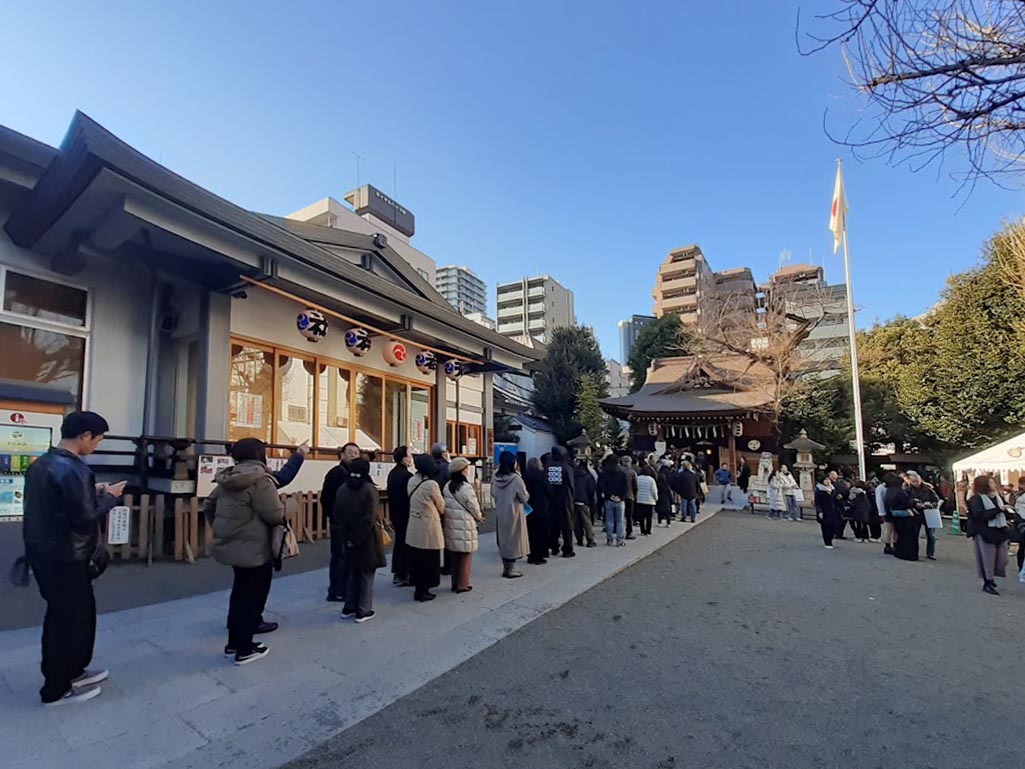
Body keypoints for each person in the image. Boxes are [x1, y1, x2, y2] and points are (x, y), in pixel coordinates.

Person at [22, 411, 126, 706]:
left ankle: (73, 670)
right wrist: (110, 497)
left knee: (71, 615)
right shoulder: (75, 469)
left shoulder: (41, 464)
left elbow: (57, 502)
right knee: (68, 620)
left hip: (44, 553)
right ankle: (55, 687)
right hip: (68, 556)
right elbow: (85, 518)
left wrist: (93, 491)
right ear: (85, 436)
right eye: (99, 439)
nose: (98, 445)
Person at [204, 437, 284, 665]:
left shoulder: (228, 478)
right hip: (255, 547)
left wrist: (223, 527)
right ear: (260, 454)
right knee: (252, 596)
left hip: (233, 545)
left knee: (239, 593)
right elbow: (274, 514)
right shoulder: (261, 480)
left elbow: (209, 506)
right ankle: (245, 648)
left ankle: (233, 642)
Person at [333, 458, 386, 622]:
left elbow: (337, 515)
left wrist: (348, 537)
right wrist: (358, 537)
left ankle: (349, 606)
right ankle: (363, 610)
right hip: (367, 538)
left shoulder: (342, 489)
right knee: (367, 573)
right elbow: (369, 518)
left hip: (347, 536)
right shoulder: (369, 489)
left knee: (352, 572)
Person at [322, 442, 360, 602]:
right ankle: (337, 590)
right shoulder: (336, 473)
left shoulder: (357, 473)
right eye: (350, 452)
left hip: (354, 523)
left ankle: (348, 587)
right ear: (342, 455)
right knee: (340, 556)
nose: (353, 455)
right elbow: (326, 498)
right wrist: (334, 516)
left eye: (356, 453)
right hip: (340, 522)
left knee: (351, 557)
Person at [442, 457, 485, 593]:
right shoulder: (465, 487)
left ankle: (454, 582)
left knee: (454, 555)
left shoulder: (447, 486)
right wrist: (479, 516)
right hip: (464, 523)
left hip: (451, 523)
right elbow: (472, 504)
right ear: (462, 470)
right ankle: (463, 584)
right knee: (465, 555)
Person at [406, 454, 445, 602]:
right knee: (429, 559)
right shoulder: (431, 485)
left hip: (414, 523)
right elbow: (441, 506)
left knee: (417, 558)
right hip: (428, 525)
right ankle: (424, 590)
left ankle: (418, 587)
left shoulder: (412, 480)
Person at [967, 476, 1011, 595]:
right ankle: (988, 581)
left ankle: (991, 577)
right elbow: (979, 515)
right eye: (991, 482)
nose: (994, 484)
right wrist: (998, 509)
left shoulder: (998, 497)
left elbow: (1004, 510)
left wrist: (1009, 512)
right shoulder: (977, 499)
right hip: (984, 531)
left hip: (999, 530)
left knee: (1002, 559)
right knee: (988, 558)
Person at [491, 451, 530, 578]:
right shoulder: (516, 479)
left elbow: (492, 493)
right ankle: (511, 569)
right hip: (514, 512)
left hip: (500, 510)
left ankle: (505, 567)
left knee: (503, 539)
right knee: (514, 540)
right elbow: (524, 497)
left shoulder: (495, 477)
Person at [387, 447, 414, 587]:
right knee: (405, 545)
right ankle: (404, 574)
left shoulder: (393, 473)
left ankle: (398, 573)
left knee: (399, 544)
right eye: (409, 455)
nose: (411, 458)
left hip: (396, 514)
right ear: (404, 458)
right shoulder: (406, 476)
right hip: (406, 514)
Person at [884, 473, 920, 561]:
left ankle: (899, 551)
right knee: (908, 536)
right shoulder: (900, 492)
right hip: (905, 515)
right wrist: (914, 503)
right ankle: (909, 554)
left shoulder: (889, 491)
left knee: (899, 534)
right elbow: (907, 502)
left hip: (895, 513)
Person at [522, 457, 551, 565]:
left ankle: (531, 555)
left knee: (530, 532)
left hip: (528, 507)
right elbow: (549, 490)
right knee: (541, 532)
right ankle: (539, 555)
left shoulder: (524, 476)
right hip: (541, 507)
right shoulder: (542, 476)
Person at [906, 470, 940, 560]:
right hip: (916, 514)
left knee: (931, 535)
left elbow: (936, 499)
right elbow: (906, 501)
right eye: (914, 481)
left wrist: (931, 504)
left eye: (917, 481)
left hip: (929, 513)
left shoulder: (928, 488)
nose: (916, 483)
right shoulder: (908, 490)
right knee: (915, 534)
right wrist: (914, 503)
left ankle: (930, 553)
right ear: (910, 481)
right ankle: (914, 552)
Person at [597, 454, 628, 545]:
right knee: (620, 521)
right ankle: (620, 540)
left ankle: (609, 539)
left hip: (608, 499)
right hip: (620, 500)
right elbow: (626, 487)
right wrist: (621, 497)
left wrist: (609, 495)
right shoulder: (622, 473)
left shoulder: (603, 473)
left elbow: (601, 486)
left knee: (609, 520)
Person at [572, 457, 598, 547]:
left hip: (573, 500)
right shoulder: (588, 476)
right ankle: (590, 540)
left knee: (576, 522)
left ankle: (579, 539)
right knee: (587, 521)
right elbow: (591, 490)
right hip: (584, 501)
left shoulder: (573, 474)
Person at [815, 474, 840, 549]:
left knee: (834, 526)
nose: (828, 481)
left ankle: (831, 538)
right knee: (826, 527)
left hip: (833, 510)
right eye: (826, 480)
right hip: (824, 511)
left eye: (828, 480)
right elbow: (817, 502)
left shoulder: (833, 489)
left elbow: (835, 499)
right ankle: (827, 542)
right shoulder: (819, 490)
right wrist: (819, 511)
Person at [876, 473, 897, 554]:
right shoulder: (881, 488)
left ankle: (893, 544)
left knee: (892, 529)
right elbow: (880, 501)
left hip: (888, 509)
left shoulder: (883, 488)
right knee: (888, 529)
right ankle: (888, 545)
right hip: (887, 510)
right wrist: (882, 512)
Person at [635, 464, 658, 536]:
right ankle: (648, 530)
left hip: (640, 499)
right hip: (649, 500)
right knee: (648, 517)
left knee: (641, 516)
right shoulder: (651, 480)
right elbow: (654, 491)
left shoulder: (638, 478)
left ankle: (642, 530)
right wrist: (656, 498)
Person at [621, 455, 639, 540]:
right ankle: (629, 532)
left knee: (619, 515)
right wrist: (635, 495)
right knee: (629, 516)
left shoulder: (618, 470)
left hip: (619, 495)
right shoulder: (632, 472)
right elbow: (635, 486)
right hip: (629, 495)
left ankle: (617, 531)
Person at [655, 460, 675, 527]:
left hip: (659, 499)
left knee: (659, 512)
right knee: (667, 512)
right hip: (666, 500)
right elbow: (670, 494)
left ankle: (659, 522)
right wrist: (672, 501)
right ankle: (668, 523)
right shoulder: (667, 486)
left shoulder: (657, 485)